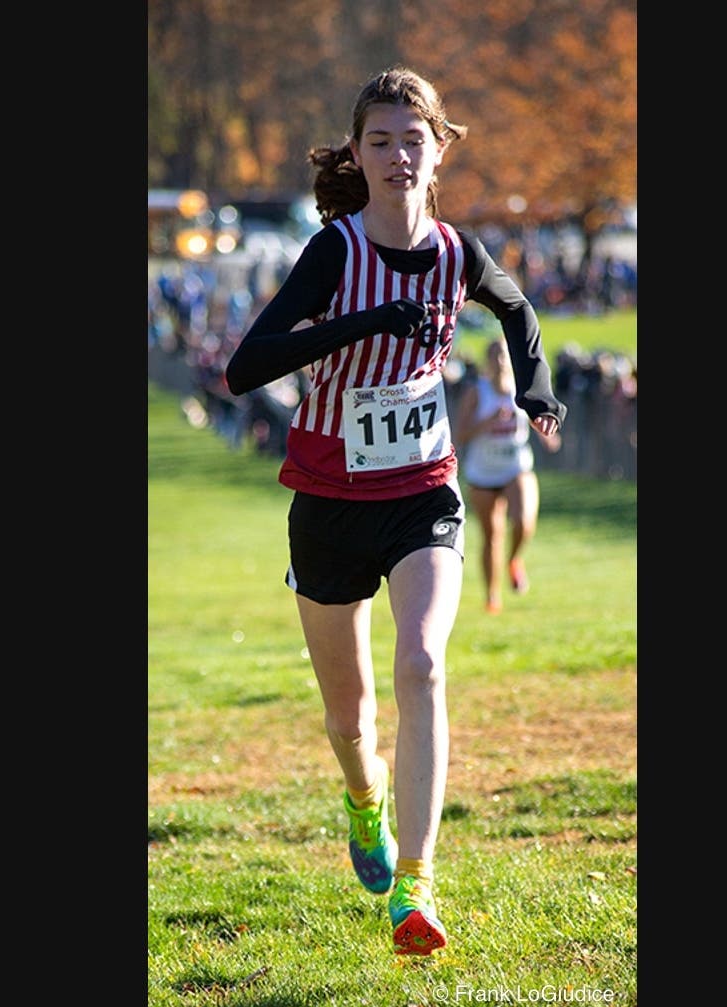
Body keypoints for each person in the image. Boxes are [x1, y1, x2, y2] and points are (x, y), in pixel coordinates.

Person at [224, 66, 566, 956]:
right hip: (329, 503)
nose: (396, 155)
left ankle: (416, 886)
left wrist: (536, 394)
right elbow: (247, 365)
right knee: (351, 720)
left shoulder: (459, 254)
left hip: (421, 492)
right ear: (357, 154)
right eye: (379, 140)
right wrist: (361, 324)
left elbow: (519, 313)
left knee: (421, 663)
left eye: (412, 138)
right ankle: (362, 798)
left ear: (437, 149)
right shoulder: (335, 251)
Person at [456, 338, 562, 614]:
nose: (500, 360)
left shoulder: (522, 390)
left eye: (504, 354)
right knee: (492, 535)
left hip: (517, 466)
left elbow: (537, 418)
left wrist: (546, 433)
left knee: (524, 520)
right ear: (487, 362)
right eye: (494, 356)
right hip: (483, 471)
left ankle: (514, 559)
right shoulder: (476, 393)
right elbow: (461, 435)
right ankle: (492, 596)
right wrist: (488, 422)